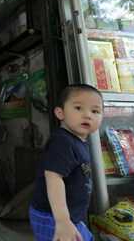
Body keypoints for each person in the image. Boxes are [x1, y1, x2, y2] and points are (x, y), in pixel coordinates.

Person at [29, 84, 103, 241]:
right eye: (78, 108)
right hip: (53, 216)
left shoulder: (77, 141)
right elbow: (54, 178)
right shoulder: (62, 141)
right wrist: (62, 221)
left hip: (67, 217)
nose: (87, 115)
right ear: (60, 113)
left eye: (95, 111)